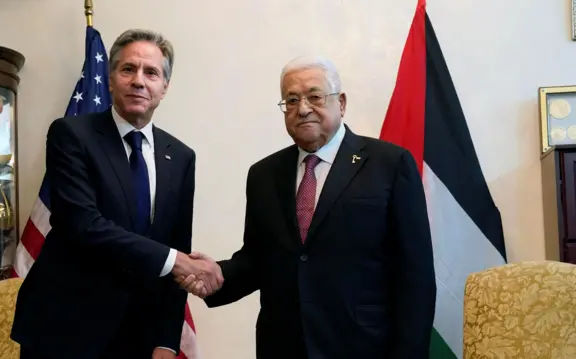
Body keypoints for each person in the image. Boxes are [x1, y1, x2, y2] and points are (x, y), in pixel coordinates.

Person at [177, 56, 436, 359]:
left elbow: (415, 276)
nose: (302, 109)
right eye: (291, 100)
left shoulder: (389, 164)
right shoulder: (263, 174)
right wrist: (216, 275)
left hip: (364, 346)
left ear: (341, 103)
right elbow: (259, 260)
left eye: (314, 96)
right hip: (284, 346)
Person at [10, 29, 223, 359]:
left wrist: (166, 339)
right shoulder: (71, 135)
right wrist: (176, 261)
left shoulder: (180, 157)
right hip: (65, 328)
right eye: (128, 69)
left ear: (164, 87)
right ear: (110, 80)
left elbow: (176, 242)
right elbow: (84, 224)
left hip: (137, 335)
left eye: (151, 72)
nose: (139, 81)